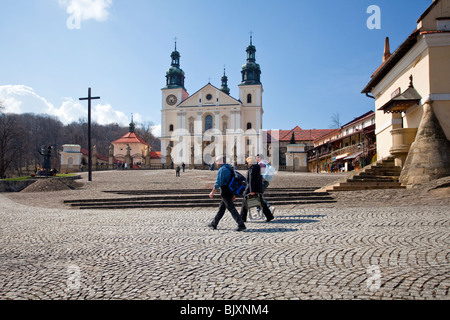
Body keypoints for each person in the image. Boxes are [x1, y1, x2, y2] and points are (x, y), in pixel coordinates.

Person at [208, 156, 246, 232]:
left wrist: (212, 192)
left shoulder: (222, 169)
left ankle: (241, 224)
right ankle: (214, 223)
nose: (216, 162)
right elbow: (231, 181)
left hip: (225, 191)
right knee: (222, 208)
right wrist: (232, 194)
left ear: (222, 161)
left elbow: (218, 182)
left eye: (217, 161)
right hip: (229, 190)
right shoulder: (229, 168)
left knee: (231, 208)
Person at [240, 156, 274, 223]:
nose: (247, 163)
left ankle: (242, 218)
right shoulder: (258, 167)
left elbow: (251, 180)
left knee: (245, 202)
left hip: (251, 189)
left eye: (248, 162)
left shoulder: (252, 168)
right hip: (258, 188)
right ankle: (269, 216)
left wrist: (252, 190)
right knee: (261, 202)